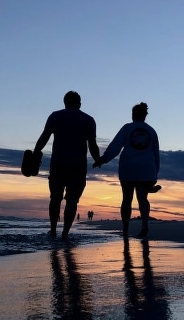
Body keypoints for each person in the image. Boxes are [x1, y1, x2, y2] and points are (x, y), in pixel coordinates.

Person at [33, 91, 102, 239]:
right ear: (80, 103)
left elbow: (44, 136)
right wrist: (98, 160)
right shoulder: (88, 120)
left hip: (58, 163)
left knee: (55, 198)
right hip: (77, 165)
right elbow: (92, 145)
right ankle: (65, 234)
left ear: (64, 102)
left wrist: (35, 153)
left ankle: (52, 231)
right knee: (72, 200)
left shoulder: (55, 116)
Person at [94, 102, 160, 238]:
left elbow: (115, 146)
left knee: (127, 199)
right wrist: (154, 175)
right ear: (145, 115)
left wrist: (103, 159)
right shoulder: (152, 131)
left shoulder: (127, 128)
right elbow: (156, 154)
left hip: (128, 168)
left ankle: (125, 229)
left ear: (133, 114)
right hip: (146, 169)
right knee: (143, 198)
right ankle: (144, 225)